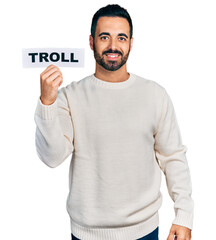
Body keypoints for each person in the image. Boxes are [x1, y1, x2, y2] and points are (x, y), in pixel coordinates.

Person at [34, 4, 194, 240]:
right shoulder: (68, 96)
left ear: (131, 42)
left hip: (145, 230)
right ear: (91, 42)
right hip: (85, 234)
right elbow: (52, 157)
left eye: (121, 38)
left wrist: (184, 216)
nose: (113, 46)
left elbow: (173, 158)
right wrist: (47, 102)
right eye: (104, 37)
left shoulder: (155, 95)